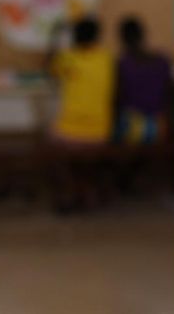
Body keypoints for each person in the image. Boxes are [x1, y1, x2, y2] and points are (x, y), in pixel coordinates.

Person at [46, 16, 116, 211]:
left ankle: (68, 192)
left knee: (50, 148)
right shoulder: (106, 59)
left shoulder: (69, 58)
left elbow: (50, 65)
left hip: (69, 132)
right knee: (87, 162)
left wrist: (54, 37)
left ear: (75, 37)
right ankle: (86, 191)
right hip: (100, 131)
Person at [114, 17, 172, 145]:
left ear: (123, 39)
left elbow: (118, 97)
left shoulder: (123, 64)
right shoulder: (162, 61)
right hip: (159, 126)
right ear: (142, 35)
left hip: (132, 128)